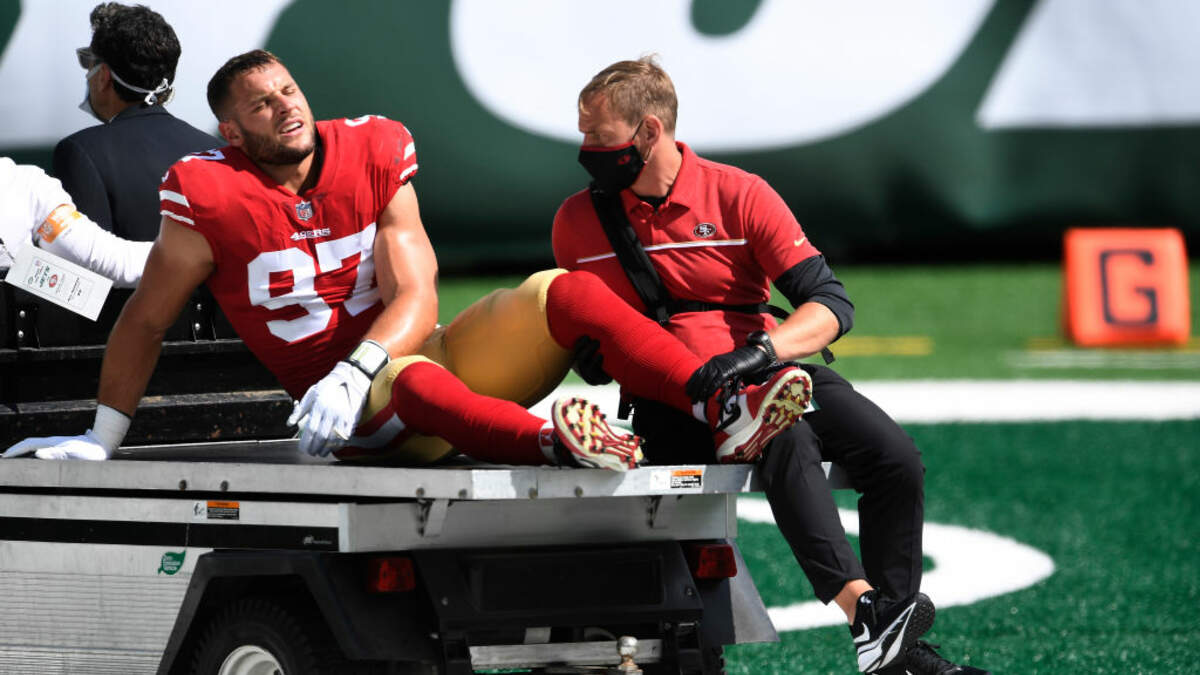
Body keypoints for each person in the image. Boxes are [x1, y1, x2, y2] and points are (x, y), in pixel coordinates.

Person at [4, 50, 812, 475]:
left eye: (289, 90)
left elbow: (418, 289)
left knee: (559, 291)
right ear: (232, 133)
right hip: (357, 419)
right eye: (263, 104)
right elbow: (147, 318)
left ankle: (720, 405)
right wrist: (103, 437)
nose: (287, 106)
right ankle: (567, 445)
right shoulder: (207, 194)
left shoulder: (372, 149)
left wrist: (358, 363)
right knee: (416, 380)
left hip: (406, 357)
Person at [552, 57, 989, 675]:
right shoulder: (576, 222)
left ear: (649, 131)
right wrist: (590, 359)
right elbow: (583, 338)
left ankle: (892, 643)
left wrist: (761, 353)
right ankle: (870, 618)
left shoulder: (739, 192)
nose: (586, 150)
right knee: (787, 438)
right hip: (671, 395)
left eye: (598, 136)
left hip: (765, 367)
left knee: (895, 459)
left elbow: (831, 305)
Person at [54, 2, 218, 242]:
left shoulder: (81, 152)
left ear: (103, 76)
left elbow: (83, 259)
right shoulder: (218, 151)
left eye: (88, 63)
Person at [0, 156, 149, 287]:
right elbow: (112, 262)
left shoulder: (21, 185)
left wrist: (163, 254)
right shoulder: (22, 184)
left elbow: (109, 261)